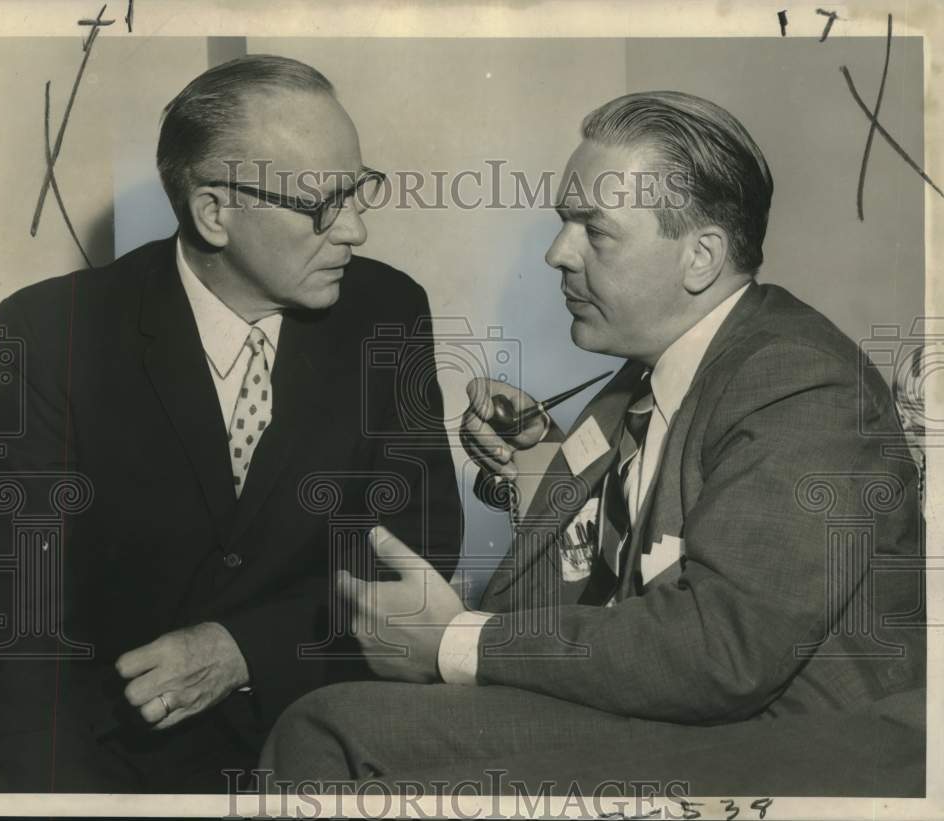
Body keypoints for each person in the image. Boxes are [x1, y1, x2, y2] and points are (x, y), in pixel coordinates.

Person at [261, 91, 925, 798]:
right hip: (690, 713)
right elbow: (607, 560)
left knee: (332, 730)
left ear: (700, 257)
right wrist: (535, 460)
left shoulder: (801, 381)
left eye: (594, 231)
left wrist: (455, 640)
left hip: (801, 743)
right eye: (562, 223)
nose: (557, 253)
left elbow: (723, 649)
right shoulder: (648, 376)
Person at [0, 55, 462, 793]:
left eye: (360, 189)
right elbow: (27, 623)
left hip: (328, 745)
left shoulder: (388, 312)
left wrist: (247, 649)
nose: (358, 229)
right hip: (113, 768)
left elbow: (418, 548)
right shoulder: (53, 333)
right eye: (325, 203)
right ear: (214, 211)